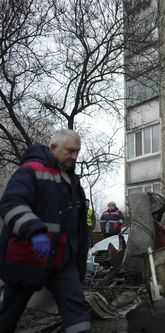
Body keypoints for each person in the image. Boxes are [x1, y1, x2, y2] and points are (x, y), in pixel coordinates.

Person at [0, 129, 90, 333]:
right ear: (53, 148)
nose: (75, 156)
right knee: (9, 315)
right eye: (70, 151)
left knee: (77, 314)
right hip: (28, 259)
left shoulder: (71, 180)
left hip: (62, 262)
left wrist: (78, 259)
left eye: (77, 151)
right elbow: (11, 204)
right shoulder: (29, 171)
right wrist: (34, 231)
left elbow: (77, 226)